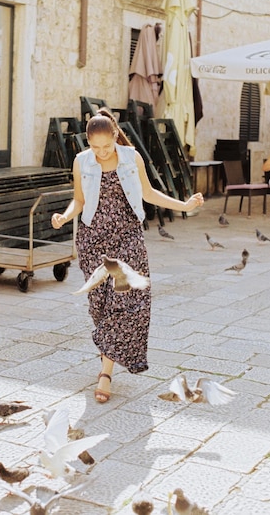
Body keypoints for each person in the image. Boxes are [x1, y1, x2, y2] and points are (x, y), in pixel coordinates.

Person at [51, 108, 204, 403]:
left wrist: (183, 206)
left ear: (115, 137)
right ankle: (109, 353)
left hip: (128, 238)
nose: (101, 152)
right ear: (88, 142)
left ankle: (105, 374)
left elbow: (148, 193)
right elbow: (79, 200)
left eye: (106, 146)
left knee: (125, 302)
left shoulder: (131, 157)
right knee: (99, 306)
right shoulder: (81, 161)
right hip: (93, 240)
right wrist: (64, 216)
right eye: (95, 147)